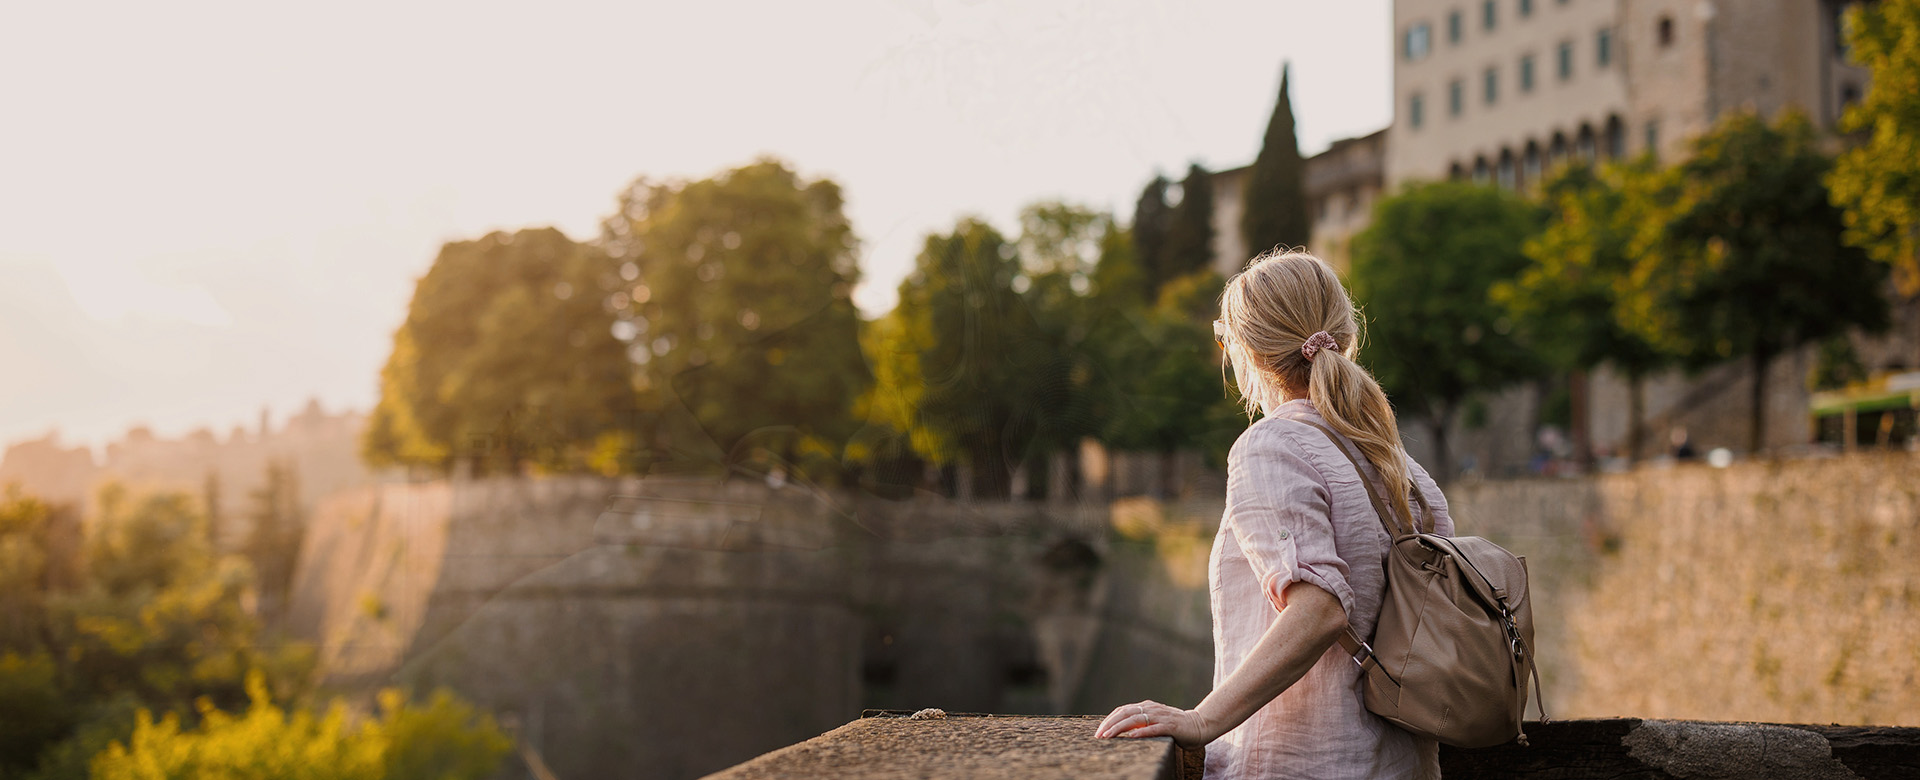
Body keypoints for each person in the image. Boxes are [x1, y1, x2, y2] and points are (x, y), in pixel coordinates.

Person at [1094, 250, 1453, 780]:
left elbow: (1320, 608)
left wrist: (1202, 719)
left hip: (1304, 761)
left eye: (1224, 338)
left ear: (1245, 352)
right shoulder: (1398, 463)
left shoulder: (1271, 446)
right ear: (1346, 336)